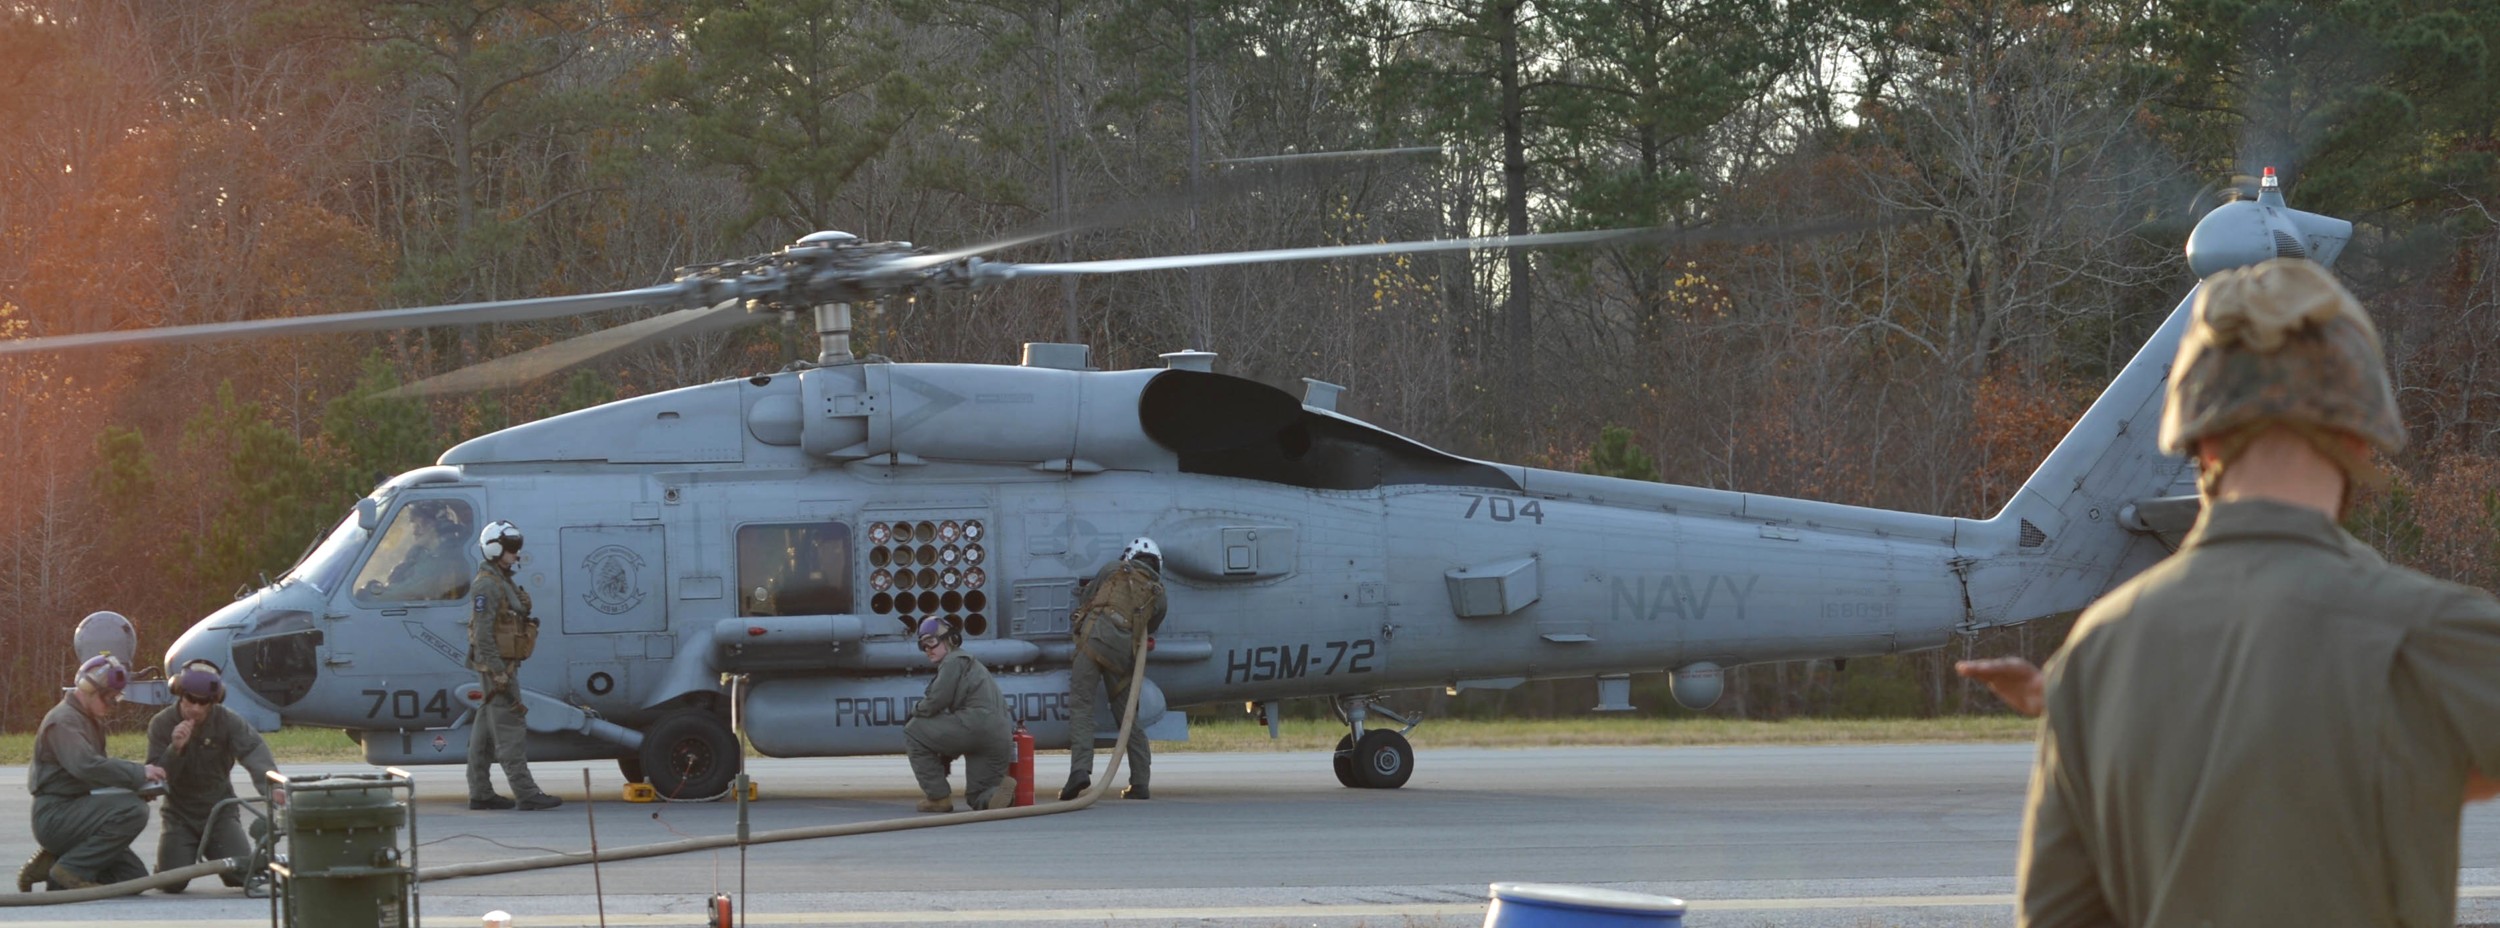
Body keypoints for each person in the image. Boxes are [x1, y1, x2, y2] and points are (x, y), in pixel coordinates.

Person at [1960, 258, 2500, 927]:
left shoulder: (2097, 655)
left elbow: (2056, 915)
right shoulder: (2434, 635)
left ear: (2199, 436)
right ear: (2360, 433)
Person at [21, 655, 164, 891]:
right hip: (56, 815)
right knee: (133, 810)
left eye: (115, 698)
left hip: (74, 810)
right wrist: (139, 774)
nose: (112, 705)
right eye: (107, 697)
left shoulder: (86, 719)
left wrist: (136, 787)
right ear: (87, 689)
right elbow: (86, 766)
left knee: (133, 881)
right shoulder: (64, 721)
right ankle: (69, 870)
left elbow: (95, 777)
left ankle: (52, 862)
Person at [147, 660, 278, 892]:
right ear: (179, 693)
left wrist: (272, 786)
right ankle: (170, 859)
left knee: (241, 876)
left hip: (220, 811)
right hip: (180, 814)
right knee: (171, 884)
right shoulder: (161, 724)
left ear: (214, 700)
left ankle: (230, 856)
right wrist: (175, 749)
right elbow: (156, 780)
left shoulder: (228, 721)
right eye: (190, 699)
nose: (196, 708)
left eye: (204, 702)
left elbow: (254, 751)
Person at [1060, 537, 1167, 801]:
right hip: (1121, 655)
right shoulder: (1158, 593)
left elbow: (1087, 596)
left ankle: (1080, 770)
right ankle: (1140, 782)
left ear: (1129, 555)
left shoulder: (1112, 569)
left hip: (1092, 642)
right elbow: (1150, 627)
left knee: (1082, 704)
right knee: (1127, 714)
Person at [466, 519, 560, 812]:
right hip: (499, 670)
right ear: (495, 549)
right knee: (510, 728)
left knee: (484, 734)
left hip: (500, 667)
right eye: (512, 549)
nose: (517, 554)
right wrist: (498, 672)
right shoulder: (487, 586)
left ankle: (480, 793)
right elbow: (482, 634)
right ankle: (526, 793)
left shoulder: (500, 580)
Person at [902, 617, 1016, 813]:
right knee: (977, 795)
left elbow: (936, 701)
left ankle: (938, 798)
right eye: (922, 645)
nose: (927, 649)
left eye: (930, 642)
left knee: (913, 730)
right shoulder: (972, 665)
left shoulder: (953, 661)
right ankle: (995, 796)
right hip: (999, 735)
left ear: (950, 640)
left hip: (974, 726)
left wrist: (913, 711)